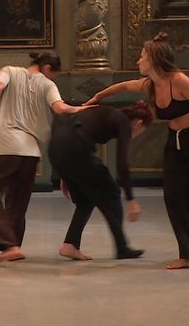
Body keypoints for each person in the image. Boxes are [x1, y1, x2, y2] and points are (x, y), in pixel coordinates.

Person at [85, 32, 189, 269]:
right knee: (173, 196)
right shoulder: (150, 85)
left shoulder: (179, 81)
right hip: (174, 142)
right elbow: (123, 86)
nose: (138, 61)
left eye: (141, 57)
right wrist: (96, 97)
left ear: (154, 60)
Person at [0, 52, 92, 266]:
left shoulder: (9, 70)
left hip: (5, 145)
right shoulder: (47, 85)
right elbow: (61, 108)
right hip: (30, 151)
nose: (52, 78)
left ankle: (7, 245)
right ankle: (15, 246)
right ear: (47, 68)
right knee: (18, 201)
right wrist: (85, 108)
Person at [49, 102, 153, 261]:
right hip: (76, 149)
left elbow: (72, 133)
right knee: (112, 192)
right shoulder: (124, 122)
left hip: (56, 148)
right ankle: (122, 248)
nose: (138, 134)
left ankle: (70, 244)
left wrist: (65, 174)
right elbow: (122, 164)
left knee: (85, 201)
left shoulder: (108, 114)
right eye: (141, 132)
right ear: (139, 123)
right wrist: (131, 199)